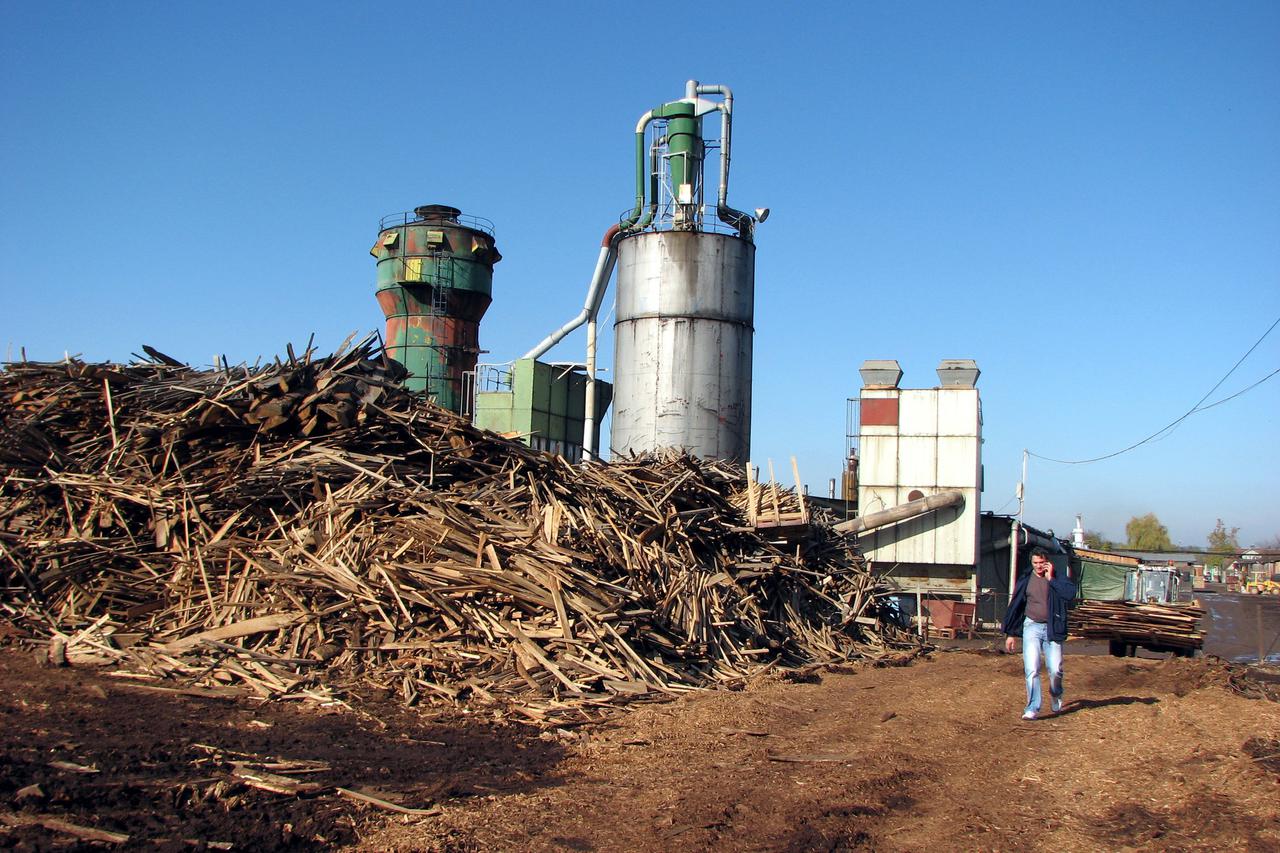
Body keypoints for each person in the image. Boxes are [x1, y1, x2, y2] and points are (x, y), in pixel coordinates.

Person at [1001, 546, 1077, 720]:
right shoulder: (1026, 580)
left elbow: (1069, 594)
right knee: (1032, 668)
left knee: (1055, 669)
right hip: (1032, 626)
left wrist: (1052, 580)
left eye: (1042, 562)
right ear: (1031, 563)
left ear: (1047, 562)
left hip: (1052, 628)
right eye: (1035, 563)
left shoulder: (1058, 578)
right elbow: (1016, 607)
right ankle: (1032, 707)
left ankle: (1056, 693)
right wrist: (1010, 633)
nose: (1039, 566)